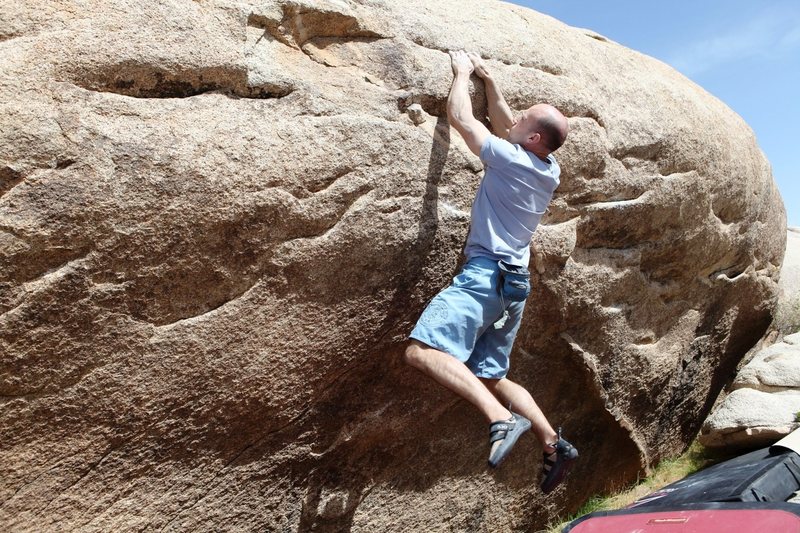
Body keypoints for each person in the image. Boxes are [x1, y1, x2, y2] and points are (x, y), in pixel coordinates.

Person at [404, 50, 578, 494]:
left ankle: (501, 420)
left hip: (485, 277)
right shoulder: (548, 167)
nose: (514, 118)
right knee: (490, 375)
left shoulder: (509, 158)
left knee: (422, 353)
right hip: (514, 286)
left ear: (534, 137)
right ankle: (554, 443)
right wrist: (493, 81)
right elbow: (507, 122)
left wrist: (463, 74)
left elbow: (464, 119)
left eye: (526, 120)